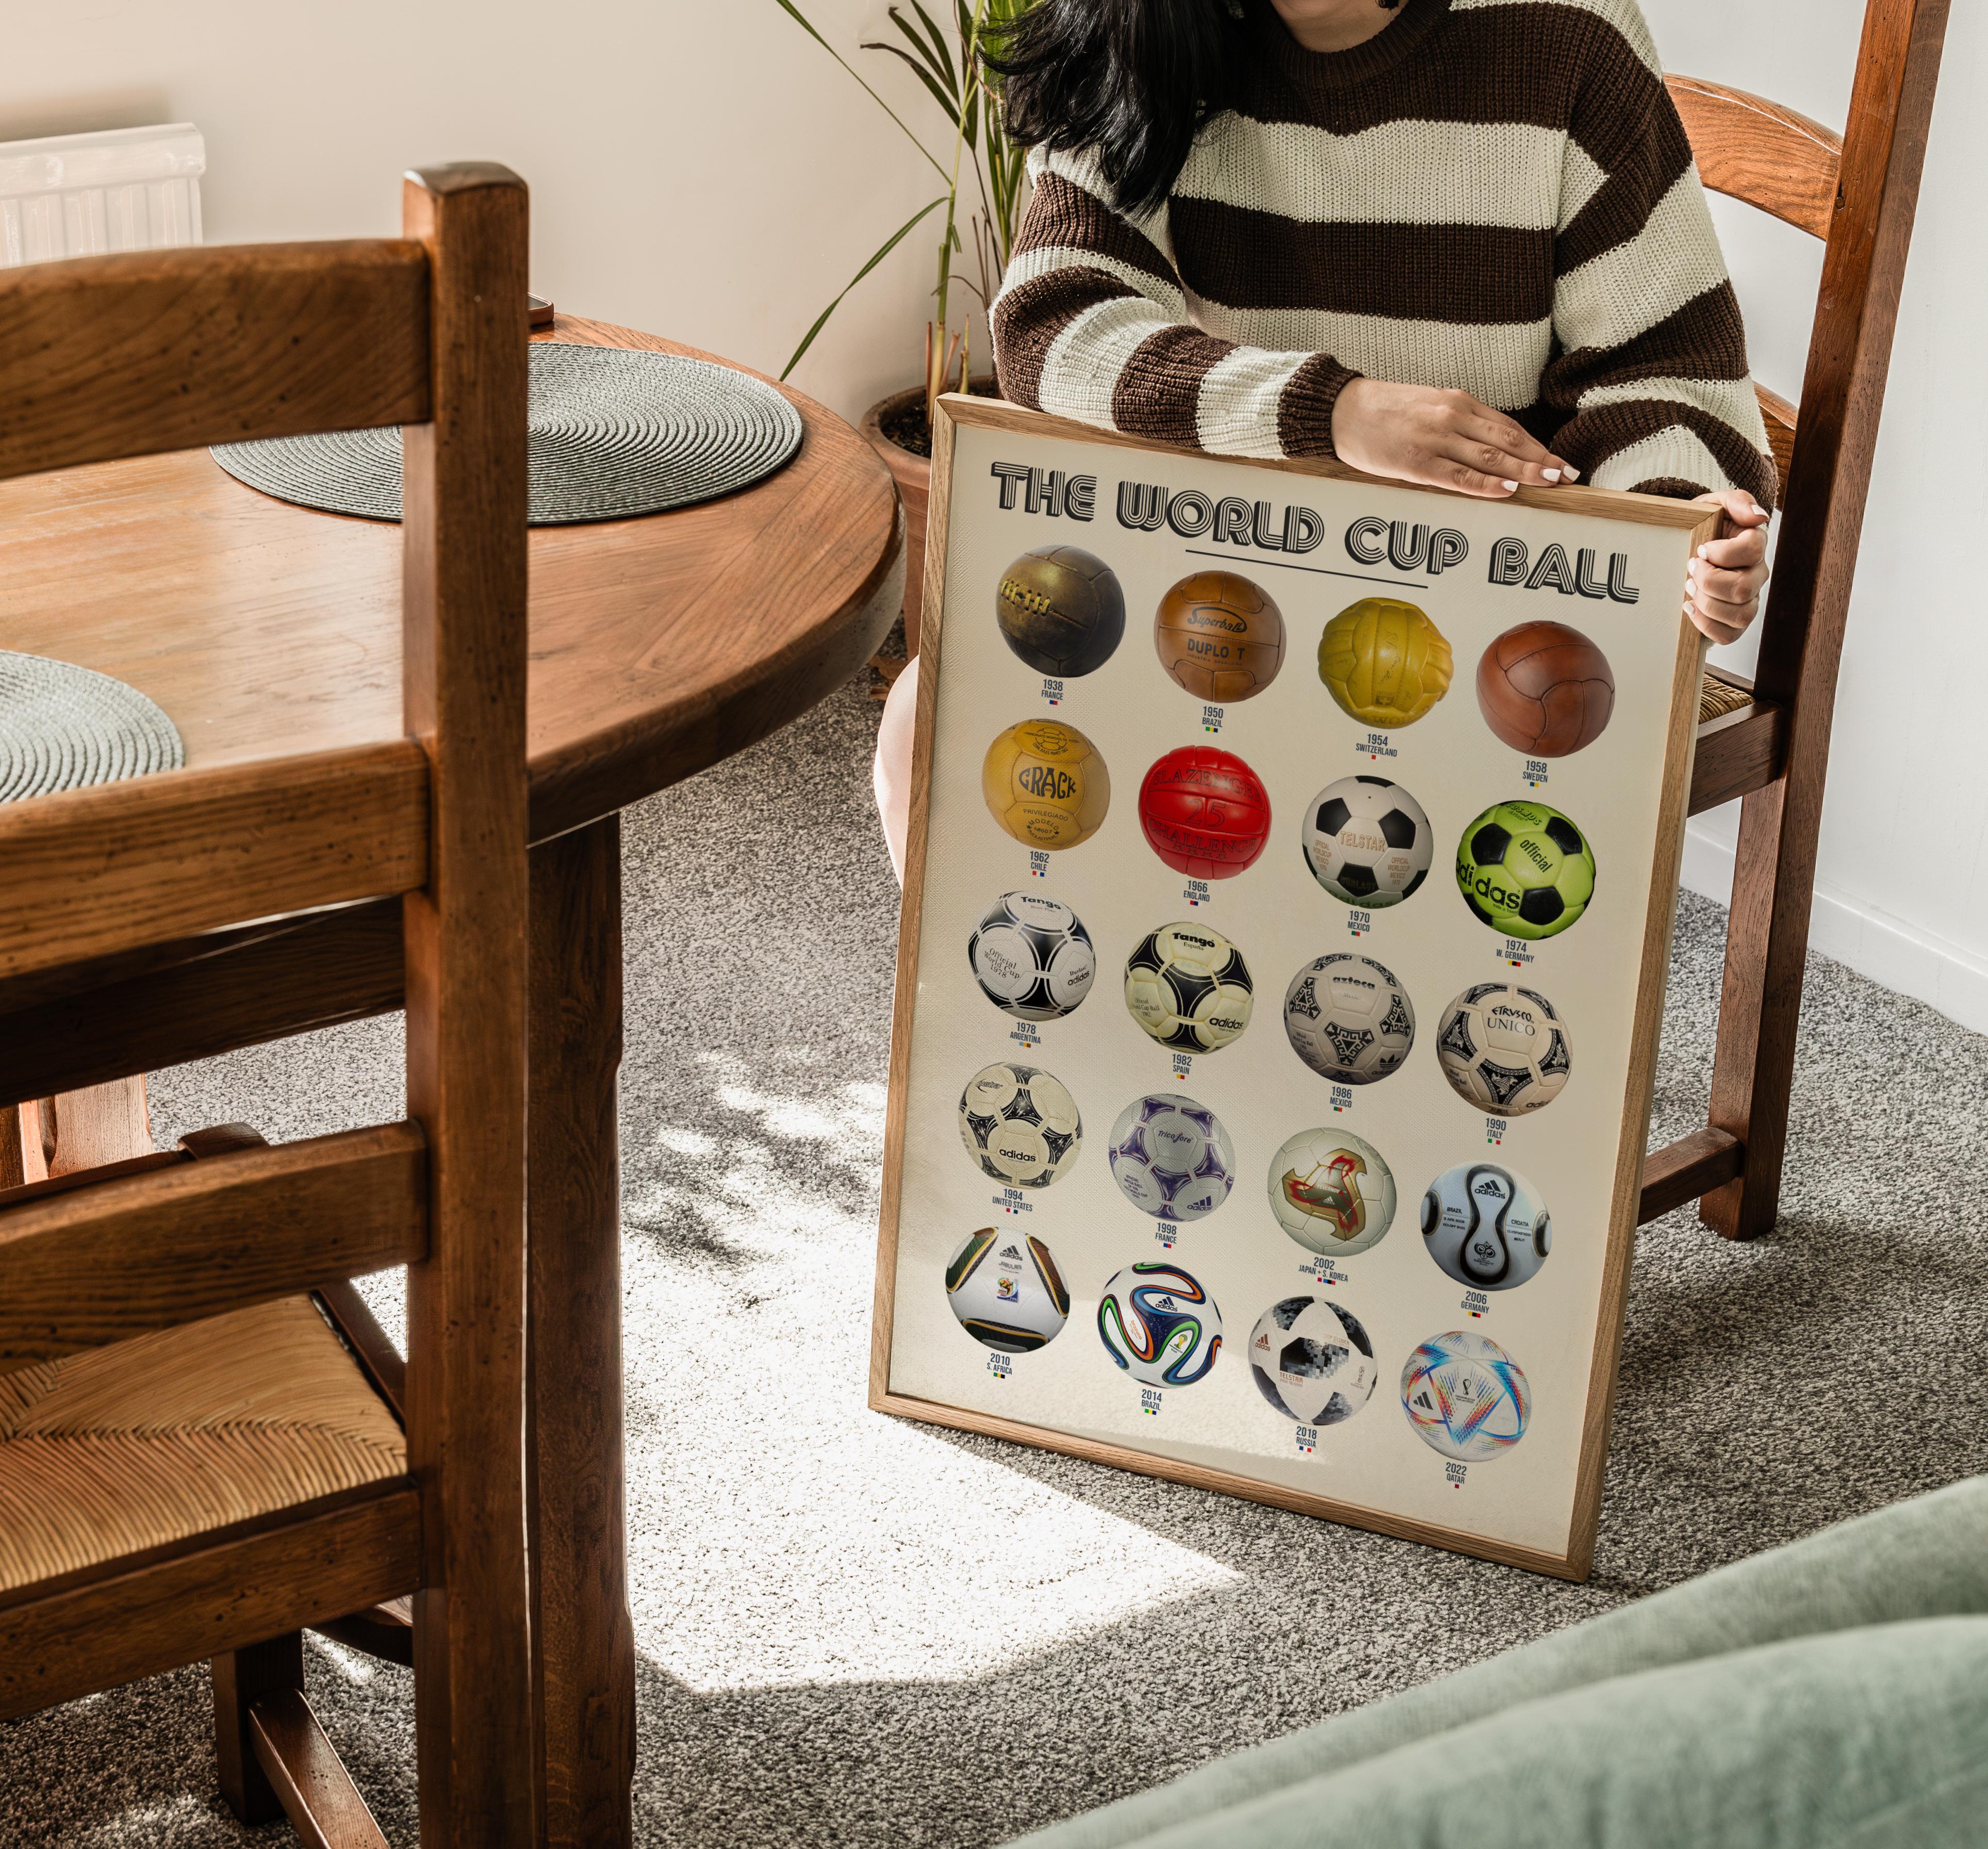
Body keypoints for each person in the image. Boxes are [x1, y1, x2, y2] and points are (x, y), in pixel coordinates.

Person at [874, 0, 1775, 880]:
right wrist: (1334, 416)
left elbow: (1668, 373)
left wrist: (1679, 525)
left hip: (1488, 619)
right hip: (1224, 582)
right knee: (929, 718)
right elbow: (1051, 327)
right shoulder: (1143, 32)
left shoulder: (1566, 34)